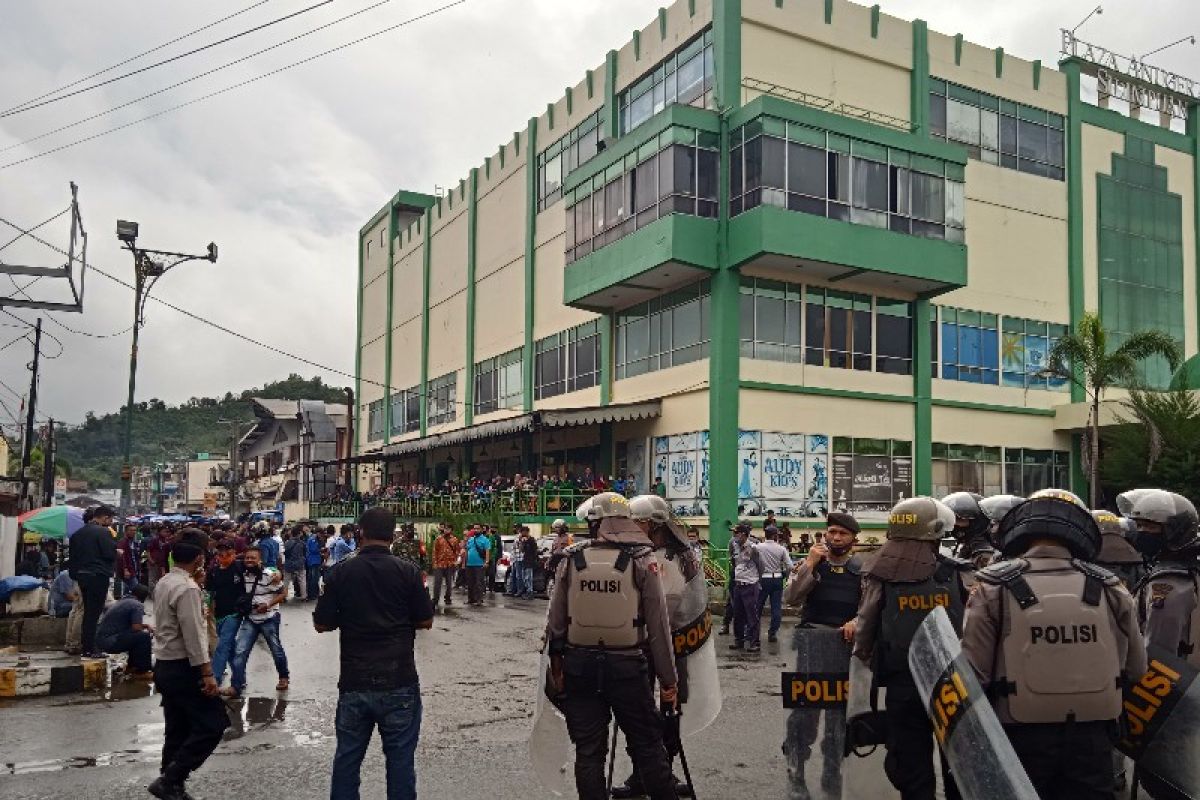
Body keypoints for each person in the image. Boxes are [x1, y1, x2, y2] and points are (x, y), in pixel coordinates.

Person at [963, 489, 1147, 799]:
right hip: (1094, 735)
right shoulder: (1109, 585)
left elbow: (973, 675)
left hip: (1020, 734)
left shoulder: (991, 585)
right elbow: (1137, 668)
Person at [544, 492, 679, 800]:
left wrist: (557, 668)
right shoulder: (643, 559)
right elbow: (658, 627)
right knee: (647, 746)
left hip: (579, 667)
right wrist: (669, 681)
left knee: (589, 752)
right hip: (628, 668)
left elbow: (555, 625)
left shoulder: (571, 559)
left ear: (595, 522)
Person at [852, 496, 969, 800]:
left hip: (902, 682)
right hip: (952, 683)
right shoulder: (955, 571)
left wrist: (865, 660)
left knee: (912, 765)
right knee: (958, 762)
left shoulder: (881, 572)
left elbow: (865, 625)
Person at [314, 506, 433, 800]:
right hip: (399, 680)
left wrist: (351, 616)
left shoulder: (340, 571)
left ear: (360, 533)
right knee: (401, 763)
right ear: (392, 536)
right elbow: (425, 620)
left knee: (347, 761)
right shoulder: (408, 571)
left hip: (354, 680)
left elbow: (321, 623)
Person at [611, 494, 704, 799]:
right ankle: (642, 774)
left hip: (675, 641)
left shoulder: (684, 556)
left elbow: (694, 601)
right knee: (638, 711)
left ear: (650, 523)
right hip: (639, 643)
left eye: (636, 521)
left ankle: (664, 771)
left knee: (670, 712)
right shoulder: (631, 554)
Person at [782, 511, 862, 799]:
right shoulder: (812, 564)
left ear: (854, 538)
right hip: (812, 646)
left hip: (845, 648)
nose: (836, 537)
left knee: (839, 716)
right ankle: (796, 771)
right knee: (804, 713)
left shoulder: (861, 570)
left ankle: (832, 770)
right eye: (832, 532)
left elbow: (871, 608)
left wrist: (858, 622)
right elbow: (790, 598)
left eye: (842, 533)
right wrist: (810, 565)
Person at [149, 528, 229, 800]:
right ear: (198, 558)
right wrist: (207, 672)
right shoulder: (187, 589)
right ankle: (172, 777)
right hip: (185, 666)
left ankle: (170, 782)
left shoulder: (166, 582)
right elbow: (194, 635)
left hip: (165, 664)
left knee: (178, 726)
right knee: (214, 723)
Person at [226, 546, 290, 696]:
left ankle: (284, 677)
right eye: (247, 557)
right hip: (250, 618)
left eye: (253, 558)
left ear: (259, 560)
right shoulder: (242, 573)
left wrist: (268, 605)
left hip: (269, 618)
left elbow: (283, 593)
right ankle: (236, 685)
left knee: (276, 649)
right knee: (240, 651)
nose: (249, 560)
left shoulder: (269, 575)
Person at [67, 504, 118, 659]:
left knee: (87, 612)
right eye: (110, 520)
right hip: (98, 576)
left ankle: (86, 647)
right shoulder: (103, 532)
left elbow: (73, 559)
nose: (110, 523)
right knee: (94, 614)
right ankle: (90, 648)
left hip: (82, 577)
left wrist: (77, 575)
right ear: (105, 517)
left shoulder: (77, 534)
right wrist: (117, 552)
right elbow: (109, 554)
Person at [206, 541, 245, 690]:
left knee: (222, 646)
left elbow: (262, 570)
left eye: (227, 553)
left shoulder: (240, 567)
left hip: (235, 613)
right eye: (220, 554)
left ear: (233, 553)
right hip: (219, 614)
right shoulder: (213, 571)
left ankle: (215, 678)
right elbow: (209, 592)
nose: (224, 557)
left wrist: (276, 574)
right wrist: (207, 608)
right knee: (230, 648)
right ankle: (240, 677)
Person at [96, 583, 154, 678]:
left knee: (136, 637)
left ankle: (132, 667)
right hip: (110, 641)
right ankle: (142, 671)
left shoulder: (123, 601)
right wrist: (146, 629)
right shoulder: (137, 605)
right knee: (143, 637)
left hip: (102, 640)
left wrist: (145, 626)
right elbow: (136, 627)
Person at [754, 525, 793, 645]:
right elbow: (790, 566)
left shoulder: (757, 547)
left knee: (757, 608)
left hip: (762, 579)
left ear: (765, 534)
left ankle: (754, 634)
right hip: (777, 579)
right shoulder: (781, 549)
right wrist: (786, 577)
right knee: (776, 608)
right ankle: (772, 633)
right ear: (776, 535)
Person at [728, 521, 763, 652]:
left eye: (736, 533)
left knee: (751, 615)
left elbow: (761, 565)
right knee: (738, 614)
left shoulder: (753, 548)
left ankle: (755, 643)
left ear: (743, 534)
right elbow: (734, 561)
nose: (734, 535)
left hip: (750, 585)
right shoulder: (734, 545)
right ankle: (739, 641)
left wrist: (757, 581)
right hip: (738, 584)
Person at [941, 491, 998, 568]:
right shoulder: (970, 545)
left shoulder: (984, 553)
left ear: (976, 521)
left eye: (959, 519)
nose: (955, 524)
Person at [430, 525, 460, 608]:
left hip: (450, 564)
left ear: (451, 530)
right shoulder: (438, 539)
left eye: (448, 529)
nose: (446, 530)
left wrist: (455, 561)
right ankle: (435, 599)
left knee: (449, 583)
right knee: (437, 583)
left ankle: (448, 598)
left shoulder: (454, 540)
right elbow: (434, 552)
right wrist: (434, 563)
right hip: (439, 564)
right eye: (445, 529)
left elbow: (457, 551)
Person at [463, 522, 490, 606]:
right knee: (470, 583)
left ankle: (479, 599)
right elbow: (467, 551)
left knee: (479, 583)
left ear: (481, 529)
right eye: (474, 528)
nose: (476, 530)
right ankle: (471, 599)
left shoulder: (485, 540)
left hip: (479, 565)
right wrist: (464, 563)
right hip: (469, 564)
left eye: (478, 528)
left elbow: (487, 551)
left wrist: (486, 562)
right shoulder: (471, 539)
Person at [116, 524, 141, 598]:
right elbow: (121, 557)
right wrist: (125, 569)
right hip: (128, 570)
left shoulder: (134, 542)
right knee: (137, 589)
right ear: (126, 531)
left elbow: (135, 556)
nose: (133, 532)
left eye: (134, 530)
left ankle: (125, 605)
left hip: (134, 569)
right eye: (131, 530)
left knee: (128, 591)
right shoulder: (122, 542)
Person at [282, 527, 307, 601]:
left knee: (286, 581)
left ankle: (284, 596)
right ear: (299, 534)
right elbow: (305, 553)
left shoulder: (287, 543)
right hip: (299, 564)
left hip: (289, 564)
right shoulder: (302, 543)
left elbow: (285, 553)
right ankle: (304, 596)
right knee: (302, 580)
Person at [517, 526, 538, 599]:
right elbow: (521, 550)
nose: (522, 534)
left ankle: (530, 592)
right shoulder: (524, 540)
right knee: (524, 577)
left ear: (526, 532)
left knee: (529, 577)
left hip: (530, 561)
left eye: (523, 532)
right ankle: (527, 591)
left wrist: (534, 560)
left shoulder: (532, 540)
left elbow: (535, 551)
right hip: (524, 561)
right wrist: (522, 542)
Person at [306, 527, 325, 600]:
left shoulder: (312, 538)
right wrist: (321, 549)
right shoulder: (313, 539)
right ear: (318, 533)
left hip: (313, 560)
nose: (321, 536)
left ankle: (311, 593)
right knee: (314, 578)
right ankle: (313, 594)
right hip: (314, 561)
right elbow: (314, 549)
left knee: (312, 578)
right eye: (321, 534)